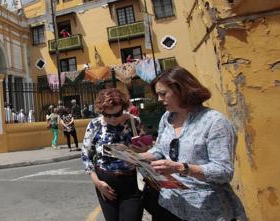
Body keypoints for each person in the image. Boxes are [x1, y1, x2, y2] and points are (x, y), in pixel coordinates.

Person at [138, 66, 247, 221]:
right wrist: (137, 157)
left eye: (163, 94)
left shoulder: (215, 122)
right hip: (169, 205)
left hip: (206, 210)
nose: (159, 99)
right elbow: (160, 150)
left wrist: (180, 168)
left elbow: (223, 171)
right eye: (158, 94)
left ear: (182, 90)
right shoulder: (167, 118)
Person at [82, 88, 143, 221]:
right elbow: (86, 156)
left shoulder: (134, 122)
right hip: (105, 185)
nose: (112, 119)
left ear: (124, 107)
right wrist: (97, 183)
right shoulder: (95, 125)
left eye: (117, 114)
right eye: (107, 115)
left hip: (131, 184)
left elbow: (144, 151)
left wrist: (141, 150)